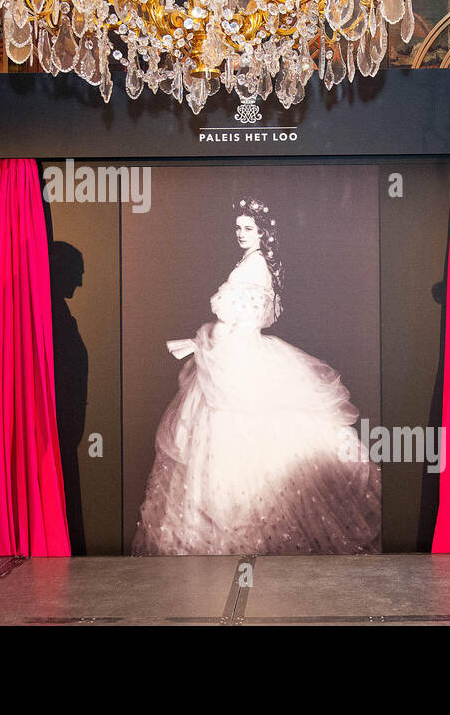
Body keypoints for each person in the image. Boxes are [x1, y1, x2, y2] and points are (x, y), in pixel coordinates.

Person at [132, 197, 381, 555]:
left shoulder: (254, 267)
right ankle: (229, 537)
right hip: (235, 355)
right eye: (238, 227)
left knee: (241, 439)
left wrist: (201, 341)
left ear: (264, 232)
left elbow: (241, 323)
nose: (241, 233)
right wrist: (202, 340)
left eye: (249, 227)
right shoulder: (249, 263)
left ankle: (242, 535)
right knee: (219, 441)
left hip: (239, 359)